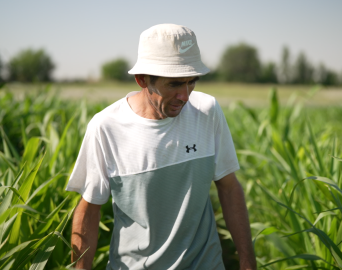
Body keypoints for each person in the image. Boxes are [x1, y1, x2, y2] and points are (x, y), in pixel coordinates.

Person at [66, 24, 256, 270]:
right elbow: (89, 210)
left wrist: (247, 262)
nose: (185, 96)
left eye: (192, 82)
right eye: (175, 84)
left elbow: (229, 188)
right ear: (142, 79)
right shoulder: (107, 127)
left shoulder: (207, 111)